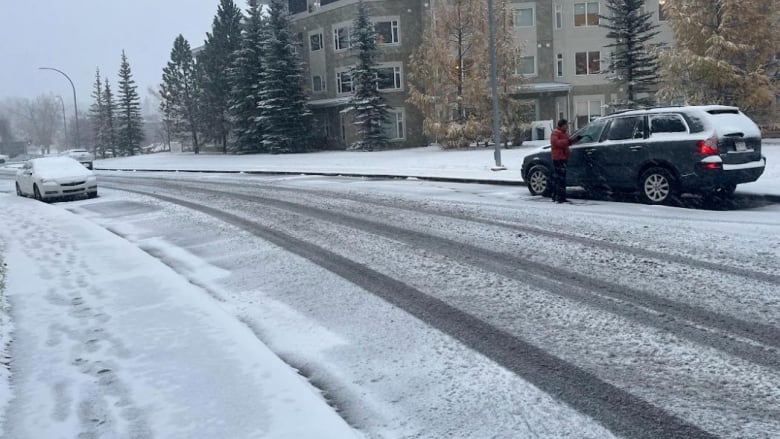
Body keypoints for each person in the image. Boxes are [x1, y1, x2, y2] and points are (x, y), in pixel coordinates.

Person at [549, 119, 575, 203]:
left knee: (561, 178)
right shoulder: (556, 132)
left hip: (563, 157)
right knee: (560, 178)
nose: (567, 126)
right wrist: (567, 142)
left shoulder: (563, 133)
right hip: (558, 158)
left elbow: (565, 143)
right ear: (562, 125)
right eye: (565, 125)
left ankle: (559, 196)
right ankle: (558, 196)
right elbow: (556, 143)